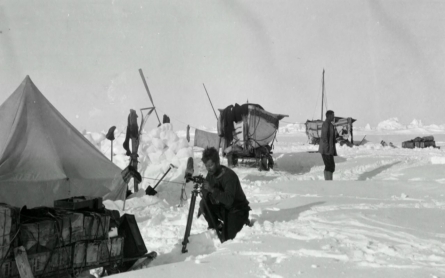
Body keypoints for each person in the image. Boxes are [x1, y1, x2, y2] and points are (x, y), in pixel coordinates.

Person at [198, 147, 251, 242]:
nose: (208, 168)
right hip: (224, 208)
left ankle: (242, 222)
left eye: (211, 165)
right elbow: (205, 190)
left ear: (217, 162)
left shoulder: (229, 176)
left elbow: (229, 200)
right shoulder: (211, 173)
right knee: (203, 203)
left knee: (228, 239)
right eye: (206, 166)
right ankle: (217, 226)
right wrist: (206, 191)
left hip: (237, 210)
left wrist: (212, 190)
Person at [319, 110, 337, 180]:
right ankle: (328, 182)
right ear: (329, 116)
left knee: (331, 167)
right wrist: (327, 151)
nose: (334, 117)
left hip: (329, 150)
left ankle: (328, 181)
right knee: (329, 166)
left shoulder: (330, 124)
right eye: (333, 115)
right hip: (326, 150)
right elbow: (324, 138)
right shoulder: (326, 124)